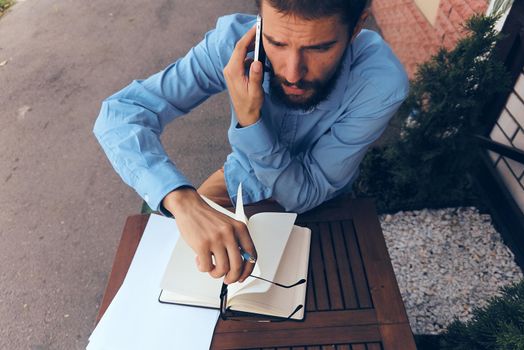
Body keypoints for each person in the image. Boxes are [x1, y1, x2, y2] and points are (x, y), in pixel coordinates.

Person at [94, 0, 408, 286]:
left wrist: (251, 122)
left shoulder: (379, 83)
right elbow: (121, 114)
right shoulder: (233, 43)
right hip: (237, 183)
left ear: (356, 28)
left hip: (324, 207)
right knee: (177, 289)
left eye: (319, 48)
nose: (292, 72)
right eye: (276, 43)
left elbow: (305, 193)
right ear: (259, 22)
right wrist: (183, 202)